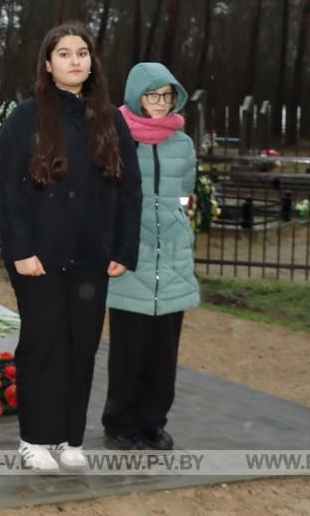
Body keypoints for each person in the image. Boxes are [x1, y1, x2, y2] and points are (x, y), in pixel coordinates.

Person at [0, 23, 141, 471]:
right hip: (40, 257)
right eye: (64, 53)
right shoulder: (25, 117)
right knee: (43, 344)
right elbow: (8, 190)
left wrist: (123, 248)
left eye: (82, 53)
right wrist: (20, 249)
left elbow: (129, 188)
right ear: (48, 62)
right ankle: (35, 438)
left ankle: (68, 438)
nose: (75, 60)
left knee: (81, 345)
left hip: (91, 257)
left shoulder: (111, 119)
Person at [102, 62, 198, 451]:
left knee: (164, 351)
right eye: (152, 95)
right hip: (132, 256)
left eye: (167, 95)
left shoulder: (183, 143)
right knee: (129, 349)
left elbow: (184, 192)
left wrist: (175, 221)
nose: (160, 103)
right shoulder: (116, 136)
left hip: (171, 259)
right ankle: (120, 420)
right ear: (135, 96)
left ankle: (153, 421)